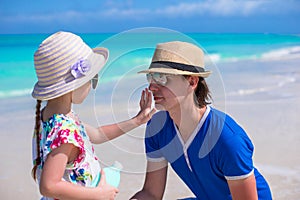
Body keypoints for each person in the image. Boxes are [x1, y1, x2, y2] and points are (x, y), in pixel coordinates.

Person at [131, 41, 272, 200]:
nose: (152, 87)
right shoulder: (157, 128)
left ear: (192, 81)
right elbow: (151, 194)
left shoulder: (227, 139)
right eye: (151, 77)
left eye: (162, 78)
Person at [31, 31, 155, 200]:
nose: (91, 85)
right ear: (74, 84)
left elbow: (96, 134)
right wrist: (98, 194)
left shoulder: (51, 116)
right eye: (92, 79)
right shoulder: (64, 131)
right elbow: (49, 186)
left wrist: (137, 120)